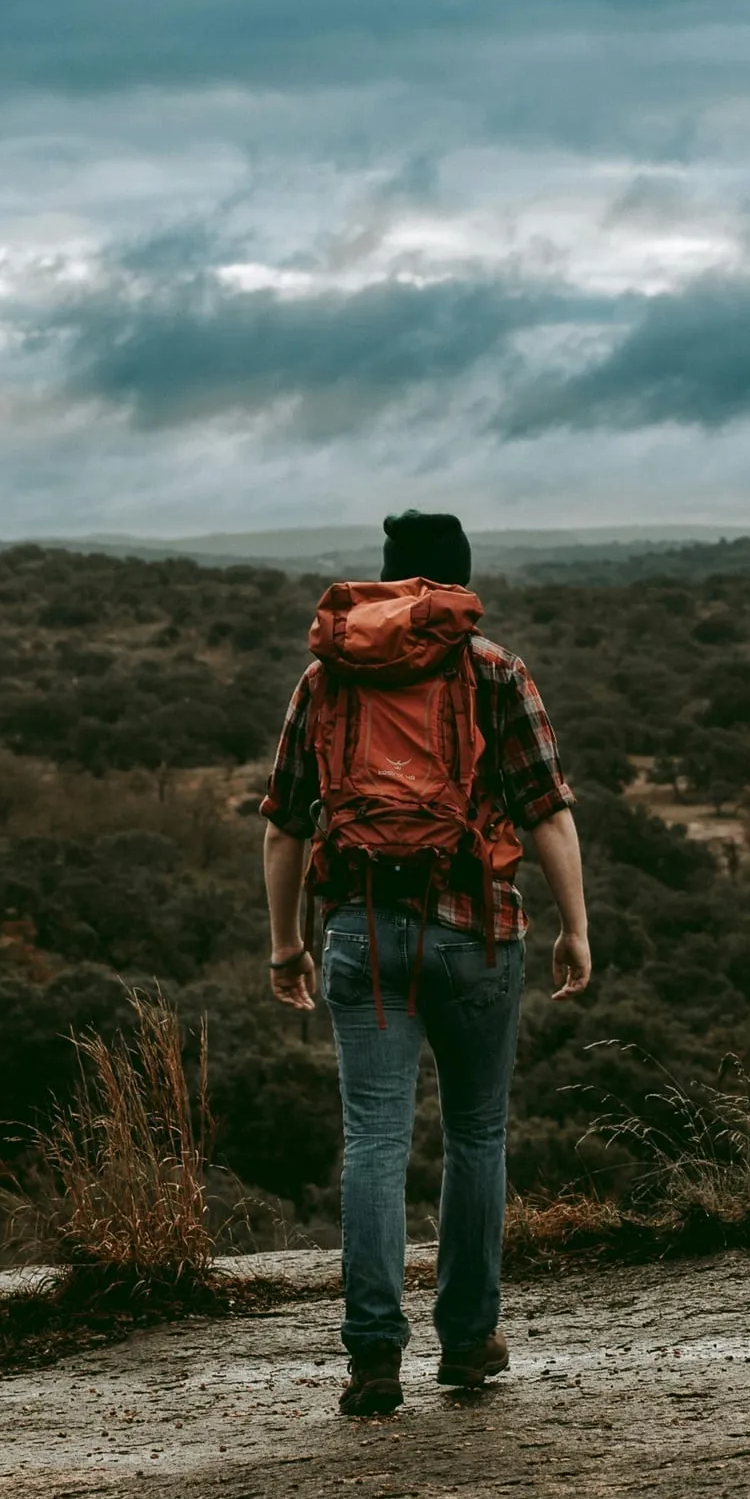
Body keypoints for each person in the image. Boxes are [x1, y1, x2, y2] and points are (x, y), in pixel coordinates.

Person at [259, 509, 590, 1417]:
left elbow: (285, 821)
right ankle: (470, 1343)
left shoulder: (326, 677)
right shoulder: (493, 669)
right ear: (458, 579)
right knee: (477, 1135)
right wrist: (576, 927)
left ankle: (373, 1357)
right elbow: (547, 809)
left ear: (389, 576)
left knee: (373, 1139)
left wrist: (286, 942)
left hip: (360, 930)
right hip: (476, 930)